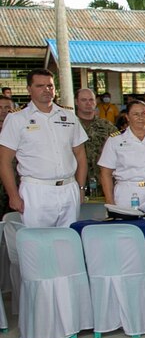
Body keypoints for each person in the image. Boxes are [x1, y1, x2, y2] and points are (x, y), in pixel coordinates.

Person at [0, 70, 87, 227]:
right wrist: (13, 195)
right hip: (36, 190)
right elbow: (4, 161)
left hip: (68, 189)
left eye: (50, 86)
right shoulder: (17, 118)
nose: (46, 90)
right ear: (29, 89)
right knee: (37, 243)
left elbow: (80, 155)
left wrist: (80, 188)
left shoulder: (68, 116)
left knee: (68, 243)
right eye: (40, 86)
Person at [74, 88, 116, 199]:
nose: (88, 103)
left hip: (102, 183)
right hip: (74, 182)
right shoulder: (69, 125)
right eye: (84, 100)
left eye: (91, 100)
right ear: (76, 102)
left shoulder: (107, 126)